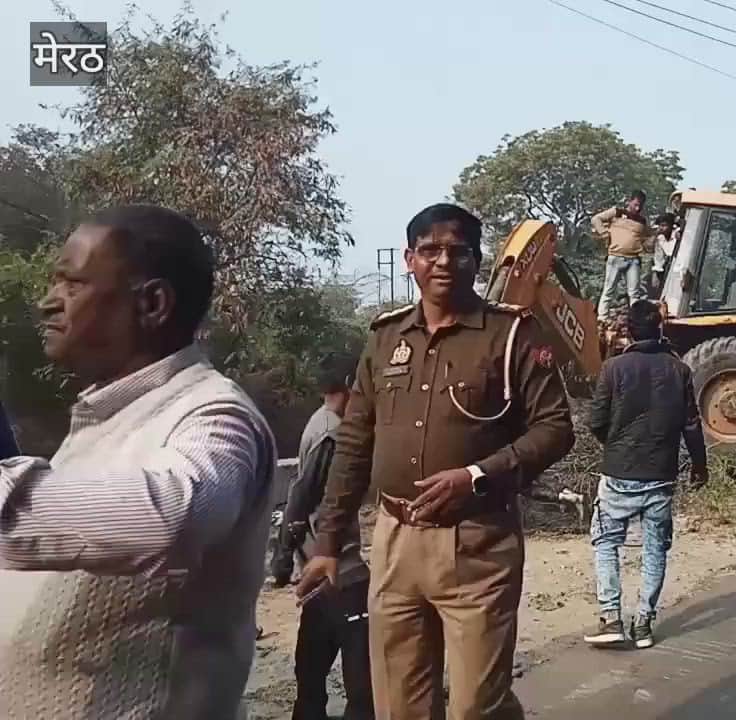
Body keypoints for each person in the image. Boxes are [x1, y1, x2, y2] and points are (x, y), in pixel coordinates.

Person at [298, 203, 575, 719]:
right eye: (430, 250)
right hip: (395, 541)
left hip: (477, 542)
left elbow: (556, 428)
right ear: (410, 259)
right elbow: (355, 441)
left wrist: (477, 477)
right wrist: (328, 543)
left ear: (476, 259)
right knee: (398, 702)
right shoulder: (384, 339)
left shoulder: (511, 334)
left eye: (457, 251)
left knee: (477, 706)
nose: (443, 261)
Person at [0, 205, 276, 718]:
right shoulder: (106, 414)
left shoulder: (216, 414)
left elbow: (176, 516)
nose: (46, 303)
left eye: (72, 284)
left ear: (152, 304)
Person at [584, 300, 707, 649]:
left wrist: (616, 445)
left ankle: (611, 618)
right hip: (661, 475)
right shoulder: (679, 370)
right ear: (660, 327)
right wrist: (700, 467)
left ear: (628, 330)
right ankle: (644, 625)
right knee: (655, 549)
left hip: (619, 473)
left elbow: (596, 421)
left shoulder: (613, 368)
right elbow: (691, 425)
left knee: (607, 542)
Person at [283, 365, 374, 720]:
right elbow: (302, 496)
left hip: (316, 571)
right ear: (350, 386)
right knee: (361, 682)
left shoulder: (317, 423)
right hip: (340, 570)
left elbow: (298, 492)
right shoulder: (333, 432)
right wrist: (286, 548)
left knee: (310, 674)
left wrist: (288, 551)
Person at [592, 190, 652, 319]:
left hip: (634, 260)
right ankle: (602, 319)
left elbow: (648, 237)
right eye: (635, 204)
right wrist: (604, 233)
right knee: (609, 290)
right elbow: (596, 219)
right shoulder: (617, 212)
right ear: (629, 201)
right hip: (615, 257)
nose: (637, 208)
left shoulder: (643, 221)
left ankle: (636, 320)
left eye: (640, 206)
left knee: (634, 293)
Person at [650, 212, 678, 294]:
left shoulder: (677, 235)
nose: (661, 228)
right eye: (660, 225)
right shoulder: (660, 238)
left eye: (664, 226)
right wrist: (656, 273)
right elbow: (659, 257)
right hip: (667, 266)